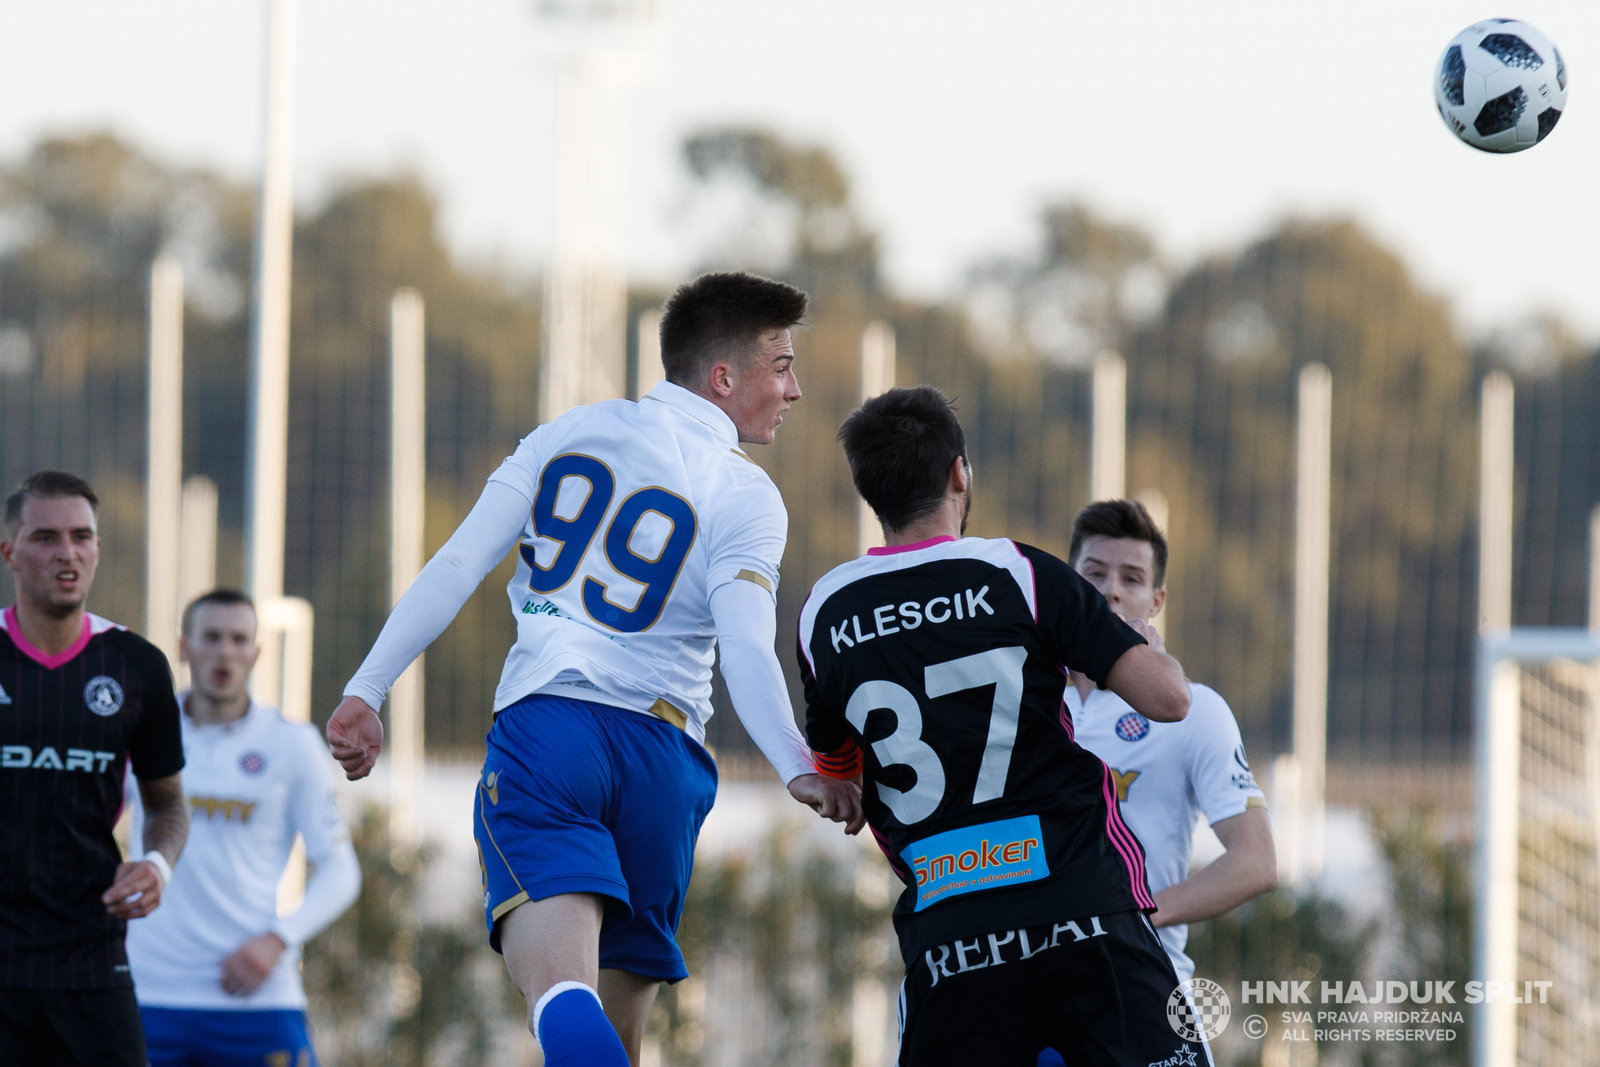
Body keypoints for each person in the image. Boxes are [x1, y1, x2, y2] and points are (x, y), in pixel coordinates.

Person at [324, 271, 864, 1067]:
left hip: (552, 736)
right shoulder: (747, 494)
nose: (796, 388)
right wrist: (794, 762)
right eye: (780, 365)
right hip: (664, 758)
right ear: (723, 377)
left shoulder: (566, 434)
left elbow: (461, 560)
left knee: (563, 1004)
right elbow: (748, 644)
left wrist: (367, 688)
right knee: (619, 1039)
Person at [799, 387, 1203, 1067]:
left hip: (953, 937)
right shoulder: (1016, 571)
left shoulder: (826, 612)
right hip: (1084, 911)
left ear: (871, 490)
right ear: (960, 472)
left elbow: (838, 777)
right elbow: (1169, 700)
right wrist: (1143, 647)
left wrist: (836, 784)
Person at [1037, 500, 1277, 1067]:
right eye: (1093, 574)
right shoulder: (1025, 704)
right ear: (1068, 585)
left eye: (1132, 578)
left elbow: (1257, 861)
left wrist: (1137, 911)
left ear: (1157, 601)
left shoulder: (1194, 711)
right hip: (1031, 992)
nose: (1111, 591)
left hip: (1143, 990)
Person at [0, 470, 190, 1066]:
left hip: (89, 963)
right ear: (9, 552)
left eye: (82, 537)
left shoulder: (137, 666)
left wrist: (157, 864)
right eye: (46, 538)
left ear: (98, 549)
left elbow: (168, 804)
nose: (67, 553)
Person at [126, 589, 361, 1067]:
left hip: (256, 997)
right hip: (148, 993)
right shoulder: (137, 729)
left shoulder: (291, 744)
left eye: (239, 639)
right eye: (211, 637)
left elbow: (341, 871)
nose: (225, 652)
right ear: (183, 647)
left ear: (256, 653)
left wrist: (278, 939)